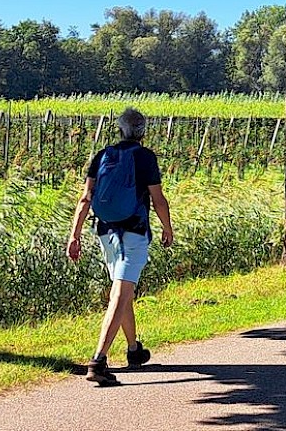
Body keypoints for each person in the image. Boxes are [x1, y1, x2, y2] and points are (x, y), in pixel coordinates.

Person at [67, 107, 174, 387]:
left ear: (119, 129)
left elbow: (85, 198)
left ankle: (133, 350)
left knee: (122, 289)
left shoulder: (103, 156)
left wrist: (74, 234)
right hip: (134, 234)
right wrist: (167, 226)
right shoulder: (145, 157)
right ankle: (99, 360)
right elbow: (158, 200)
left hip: (105, 232)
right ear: (143, 132)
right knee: (120, 293)